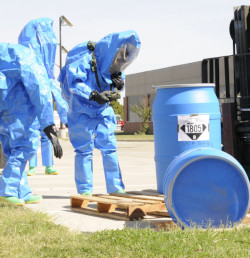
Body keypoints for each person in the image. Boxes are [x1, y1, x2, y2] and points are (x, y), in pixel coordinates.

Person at [59, 30, 141, 195]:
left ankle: (116, 189)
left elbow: (111, 81)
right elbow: (75, 83)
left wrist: (118, 85)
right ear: (113, 50)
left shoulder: (114, 65)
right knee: (84, 151)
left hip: (102, 111)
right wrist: (94, 95)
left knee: (109, 147)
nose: (121, 59)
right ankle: (85, 192)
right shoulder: (85, 60)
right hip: (81, 111)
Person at [0, 18, 63, 206]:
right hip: (20, 113)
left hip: (5, 112)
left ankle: (22, 190)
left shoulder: (9, 51)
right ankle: (7, 190)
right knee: (25, 147)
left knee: (13, 151)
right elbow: (40, 91)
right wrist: (49, 126)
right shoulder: (29, 57)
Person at [18, 18, 69, 177]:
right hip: (32, 101)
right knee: (33, 133)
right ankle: (32, 166)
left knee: (47, 134)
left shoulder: (48, 74)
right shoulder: (29, 61)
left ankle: (48, 165)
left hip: (45, 97)